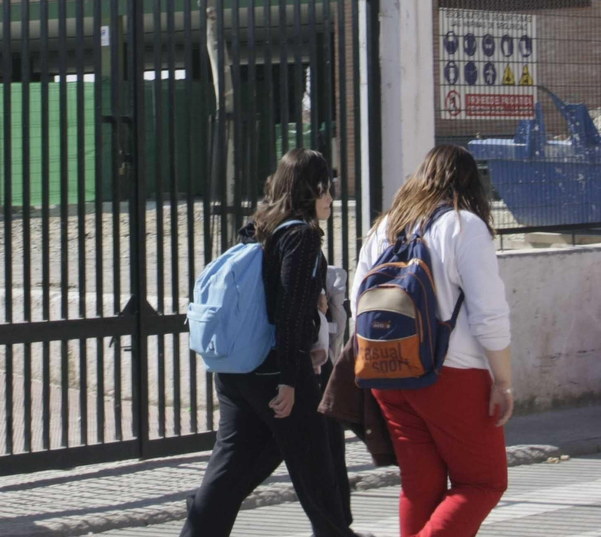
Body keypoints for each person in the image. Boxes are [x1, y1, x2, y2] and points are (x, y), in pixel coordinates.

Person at [181, 148, 367, 537]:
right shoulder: (301, 236)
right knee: (316, 464)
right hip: (277, 369)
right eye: (326, 189)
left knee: (235, 462)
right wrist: (288, 378)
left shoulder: (259, 225)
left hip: (236, 369)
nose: (331, 198)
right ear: (311, 189)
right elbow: (290, 314)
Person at [352, 145, 512, 537]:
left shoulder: (385, 226)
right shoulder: (463, 225)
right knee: (483, 483)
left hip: (387, 371)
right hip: (451, 373)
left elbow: (356, 298)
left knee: (420, 485)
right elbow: (489, 313)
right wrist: (504, 380)